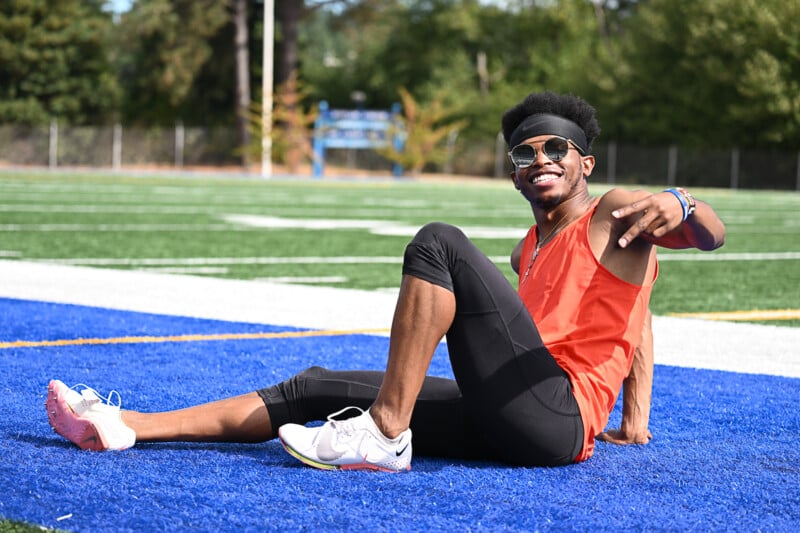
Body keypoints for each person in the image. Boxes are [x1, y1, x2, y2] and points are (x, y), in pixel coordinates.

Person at [46, 91, 726, 472]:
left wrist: (686, 204)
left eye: (556, 148)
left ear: (586, 162)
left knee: (439, 244)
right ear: (513, 170)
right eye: (525, 151)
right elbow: (636, 315)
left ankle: (385, 431)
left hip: (555, 421)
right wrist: (635, 422)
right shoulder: (529, 247)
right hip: (508, 411)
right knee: (312, 384)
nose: (540, 159)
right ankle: (127, 425)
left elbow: (710, 234)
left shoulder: (611, 212)